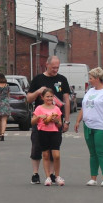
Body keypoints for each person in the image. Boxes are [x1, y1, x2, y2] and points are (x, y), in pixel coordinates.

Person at [27, 56, 71, 184]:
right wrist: (37, 92)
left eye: (57, 67)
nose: (55, 70)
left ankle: (51, 174)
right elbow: (29, 98)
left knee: (54, 148)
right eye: (53, 67)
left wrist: (66, 121)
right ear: (47, 64)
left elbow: (66, 100)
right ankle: (35, 173)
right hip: (40, 120)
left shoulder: (62, 79)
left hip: (56, 121)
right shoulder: (38, 79)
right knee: (36, 147)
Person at [75, 67, 103, 187]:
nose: (90, 80)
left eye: (91, 78)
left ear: (98, 78)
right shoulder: (90, 91)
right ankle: (93, 178)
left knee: (101, 152)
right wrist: (78, 121)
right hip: (88, 125)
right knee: (92, 153)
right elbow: (84, 107)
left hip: (101, 126)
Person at [31, 89, 64, 185]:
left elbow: (59, 124)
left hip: (54, 133)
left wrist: (56, 121)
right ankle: (48, 177)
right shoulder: (39, 108)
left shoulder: (56, 109)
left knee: (56, 155)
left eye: (51, 96)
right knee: (45, 155)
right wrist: (38, 117)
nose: (49, 98)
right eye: (47, 96)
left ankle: (57, 176)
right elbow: (32, 122)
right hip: (43, 132)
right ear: (42, 97)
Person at [0, 74, 12, 141]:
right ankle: (2, 133)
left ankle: (0, 133)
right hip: (5, 103)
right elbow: (8, 95)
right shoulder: (7, 86)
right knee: (4, 119)